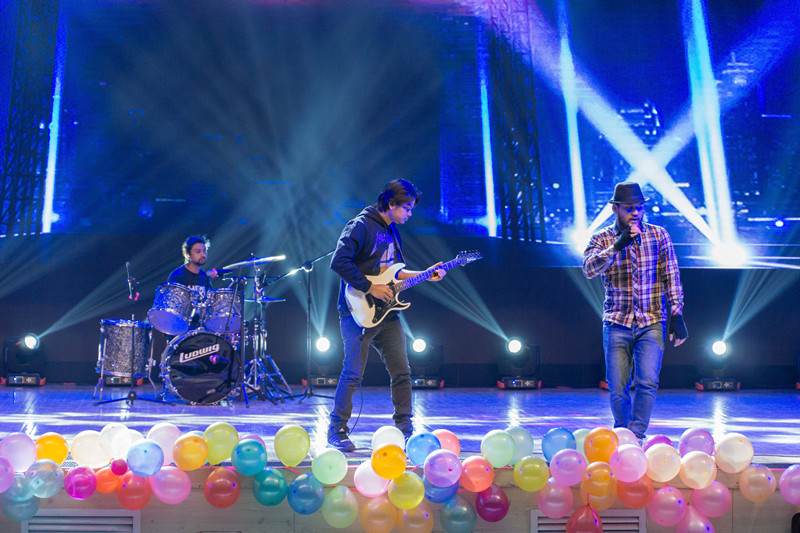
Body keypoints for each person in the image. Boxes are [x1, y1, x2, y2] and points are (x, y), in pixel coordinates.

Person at [327, 179, 446, 452]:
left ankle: (405, 430)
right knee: (352, 373)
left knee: (402, 372)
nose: (410, 214)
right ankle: (336, 430)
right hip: (357, 311)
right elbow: (339, 261)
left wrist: (426, 274)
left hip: (387, 312)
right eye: (407, 208)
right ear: (391, 204)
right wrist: (370, 287)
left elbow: (395, 272)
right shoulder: (361, 225)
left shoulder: (392, 230)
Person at [582, 181, 688, 443]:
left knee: (647, 381)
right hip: (617, 322)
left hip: (651, 320)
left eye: (639, 207)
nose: (635, 213)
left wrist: (677, 314)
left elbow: (671, 275)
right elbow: (589, 269)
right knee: (617, 385)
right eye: (629, 208)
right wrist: (617, 246)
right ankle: (623, 434)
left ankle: (636, 436)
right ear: (615, 209)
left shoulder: (658, 235)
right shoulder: (602, 238)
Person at [168, 235, 216, 329]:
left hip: (200, 326)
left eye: (204, 251)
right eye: (198, 251)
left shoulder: (204, 276)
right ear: (187, 255)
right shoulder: (177, 275)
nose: (203, 254)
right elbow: (173, 306)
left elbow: (210, 301)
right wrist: (198, 310)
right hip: (181, 327)